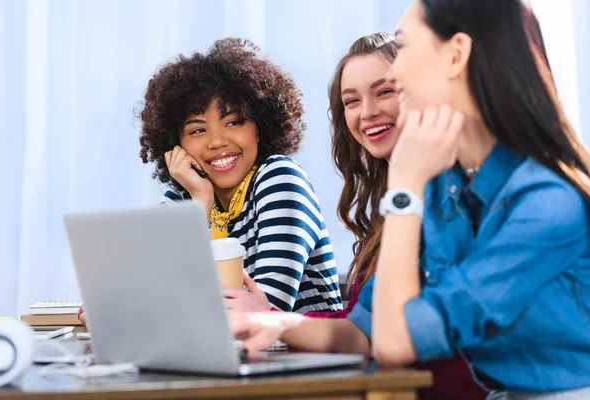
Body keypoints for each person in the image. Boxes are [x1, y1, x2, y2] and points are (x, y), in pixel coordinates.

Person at [230, 1, 590, 398]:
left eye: (404, 49)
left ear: (455, 56)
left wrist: (403, 187)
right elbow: (365, 329)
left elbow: (394, 343)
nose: (396, 70)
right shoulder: (444, 187)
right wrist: (277, 325)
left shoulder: (547, 203)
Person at [78, 38, 342, 325]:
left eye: (233, 122)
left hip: (305, 363)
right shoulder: (186, 195)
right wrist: (199, 204)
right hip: (233, 361)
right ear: (176, 144)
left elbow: (262, 310)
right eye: (198, 130)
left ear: (259, 128)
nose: (217, 142)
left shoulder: (280, 179)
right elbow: (152, 292)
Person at [303, 32, 486, 400]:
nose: (367, 111)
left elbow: (382, 337)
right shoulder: (391, 207)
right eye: (351, 101)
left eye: (384, 91)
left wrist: (276, 323)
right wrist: (270, 321)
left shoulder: (450, 196)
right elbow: (364, 323)